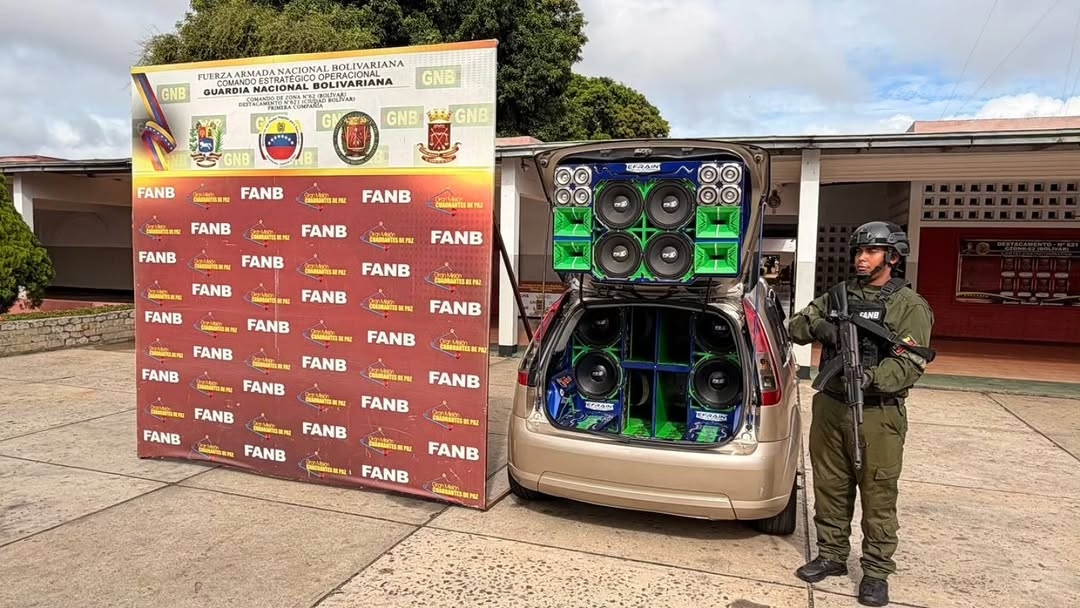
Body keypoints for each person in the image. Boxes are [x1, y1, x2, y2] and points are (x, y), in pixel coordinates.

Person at [788, 221, 935, 607]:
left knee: (878, 493)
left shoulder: (909, 305)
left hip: (877, 414)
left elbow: (911, 364)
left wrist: (870, 375)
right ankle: (833, 555)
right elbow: (795, 327)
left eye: (870, 252)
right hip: (831, 407)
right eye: (858, 251)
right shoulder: (838, 295)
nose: (861, 258)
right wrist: (822, 326)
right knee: (830, 485)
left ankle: (875, 571)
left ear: (893, 256)